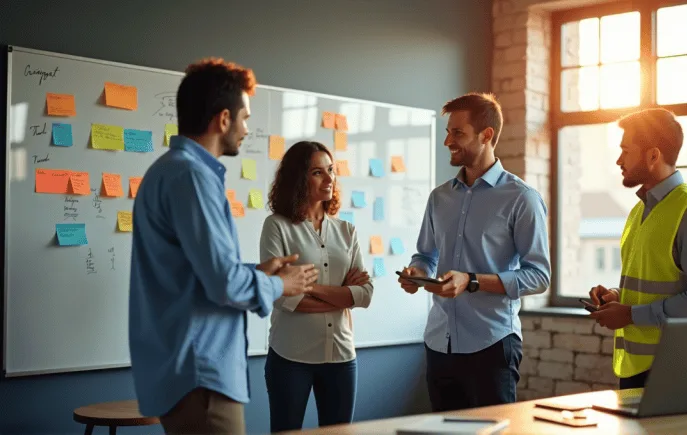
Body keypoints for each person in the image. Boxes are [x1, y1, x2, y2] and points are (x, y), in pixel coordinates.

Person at [129, 58, 318, 435]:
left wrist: (256, 273)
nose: (247, 129)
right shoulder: (192, 177)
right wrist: (282, 284)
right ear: (224, 119)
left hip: (187, 369)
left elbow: (197, 273)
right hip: (201, 374)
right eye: (245, 118)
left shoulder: (169, 170)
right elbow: (223, 285)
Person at [397, 92, 551, 411]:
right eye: (447, 132)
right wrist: (417, 274)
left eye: (458, 133)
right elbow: (425, 255)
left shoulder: (522, 199)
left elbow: (539, 276)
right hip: (439, 342)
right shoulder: (439, 198)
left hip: (492, 344)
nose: (448, 142)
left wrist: (472, 280)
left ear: (487, 135)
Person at [588, 108, 687, 390]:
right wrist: (617, 297)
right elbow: (657, 283)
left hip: (680, 372)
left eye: (625, 151)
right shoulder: (638, 213)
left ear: (653, 155)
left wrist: (630, 314)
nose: (619, 160)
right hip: (640, 369)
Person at [260, 141, 374, 432]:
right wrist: (341, 295)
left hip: (341, 356)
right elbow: (282, 297)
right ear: (299, 178)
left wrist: (310, 288)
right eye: (317, 172)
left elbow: (364, 294)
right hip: (291, 357)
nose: (329, 178)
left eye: (331, 170)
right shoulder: (277, 226)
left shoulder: (347, 231)